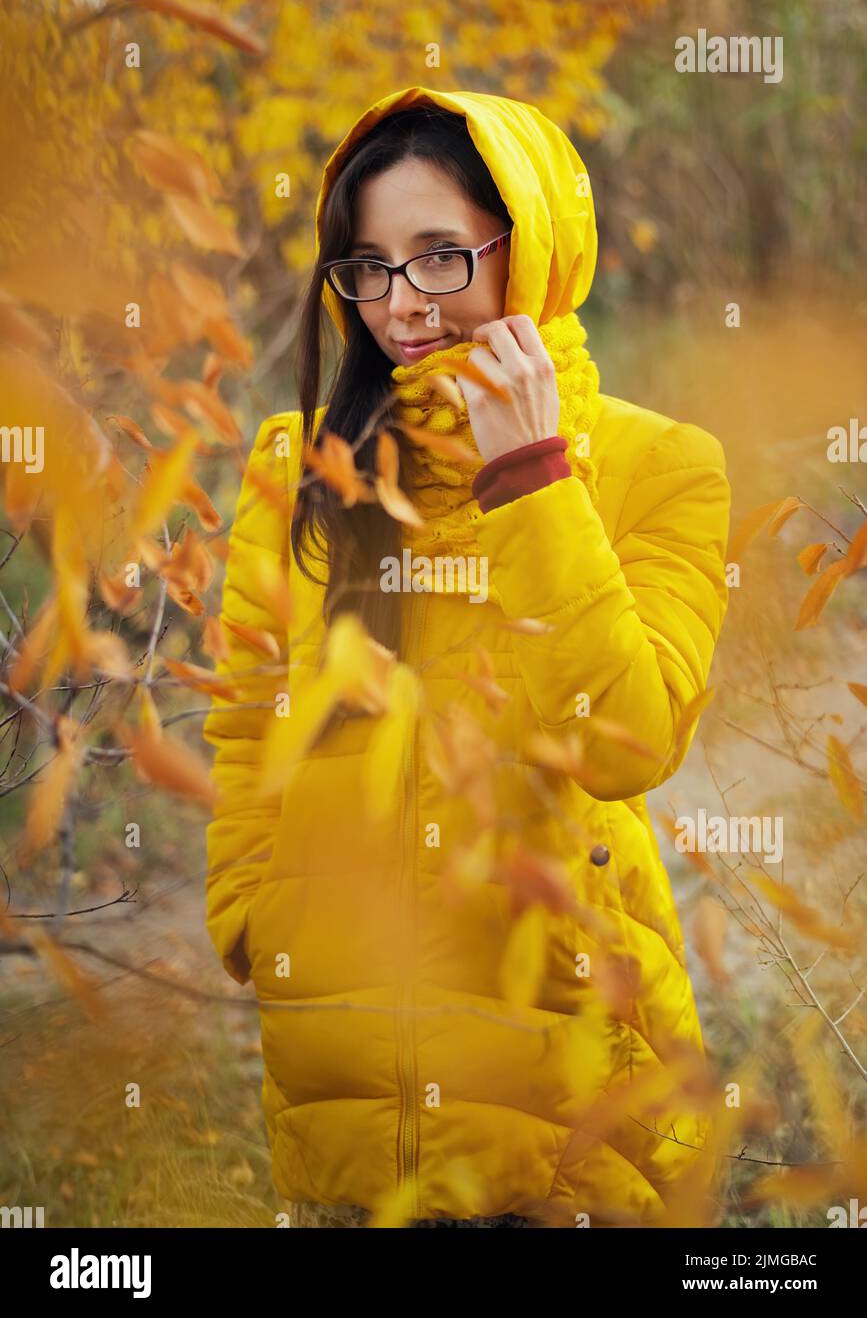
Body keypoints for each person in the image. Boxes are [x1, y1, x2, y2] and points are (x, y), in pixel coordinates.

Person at [202, 86, 731, 1228]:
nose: (401, 305)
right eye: (368, 265)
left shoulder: (658, 466)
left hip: (571, 1085)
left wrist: (531, 474)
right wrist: (257, 912)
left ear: (528, 251)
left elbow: (628, 739)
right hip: (340, 1085)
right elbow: (249, 709)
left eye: (442, 256)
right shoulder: (299, 467)